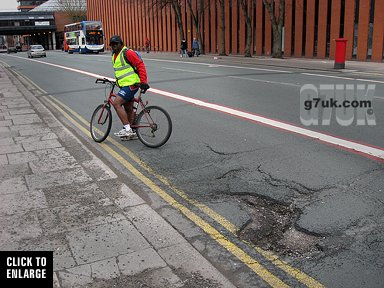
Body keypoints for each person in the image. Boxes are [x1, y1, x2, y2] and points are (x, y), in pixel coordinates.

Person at [109, 35, 150, 139]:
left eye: (116, 44)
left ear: (121, 44)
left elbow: (140, 65)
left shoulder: (127, 52)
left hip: (131, 85)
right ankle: (132, 131)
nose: (113, 46)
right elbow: (122, 71)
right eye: (112, 44)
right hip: (124, 85)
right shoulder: (114, 55)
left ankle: (127, 129)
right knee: (128, 108)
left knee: (116, 103)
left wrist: (143, 81)